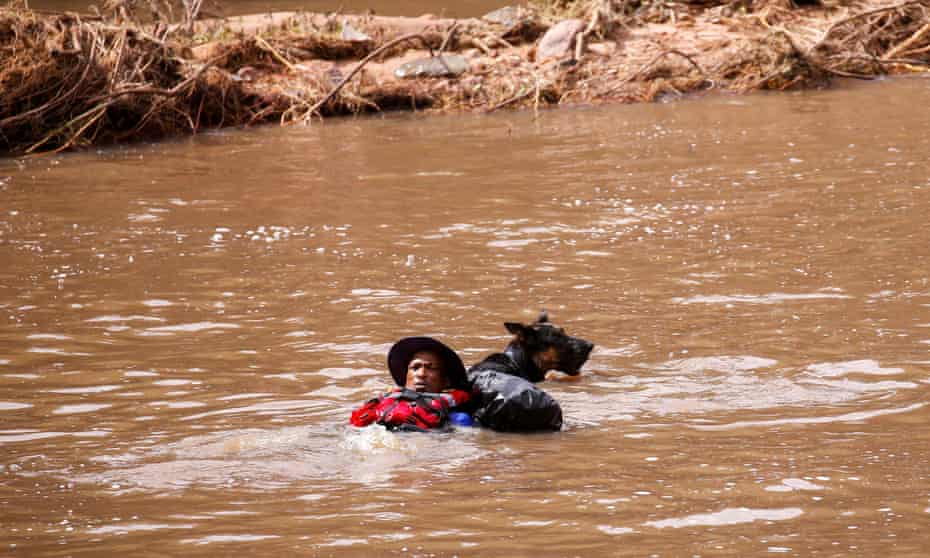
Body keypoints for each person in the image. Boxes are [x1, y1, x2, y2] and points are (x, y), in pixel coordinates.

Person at [350, 337, 474, 431]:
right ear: (405, 376)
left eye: (431, 368)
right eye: (415, 367)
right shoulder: (380, 405)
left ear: (446, 381)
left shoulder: (458, 419)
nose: (421, 374)